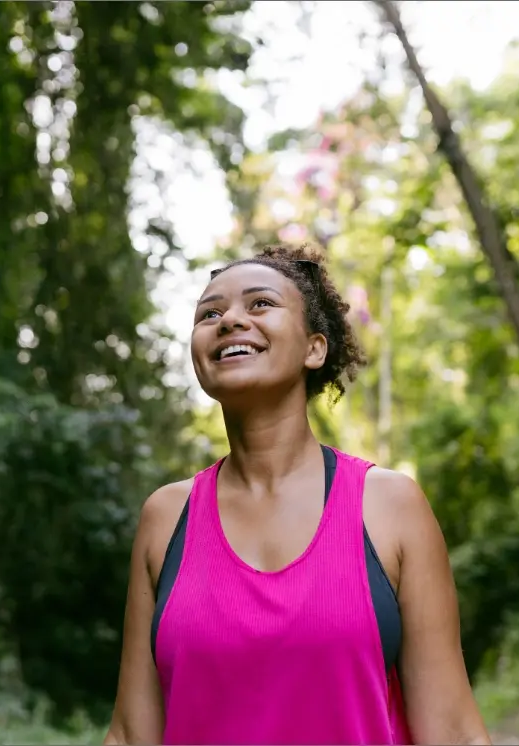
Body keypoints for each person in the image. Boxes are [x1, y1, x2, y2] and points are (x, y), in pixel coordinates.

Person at [104, 244, 491, 745]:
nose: (230, 320)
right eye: (210, 314)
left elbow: (453, 731)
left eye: (260, 303)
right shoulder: (165, 517)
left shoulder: (389, 505)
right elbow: (132, 734)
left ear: (315, 349)